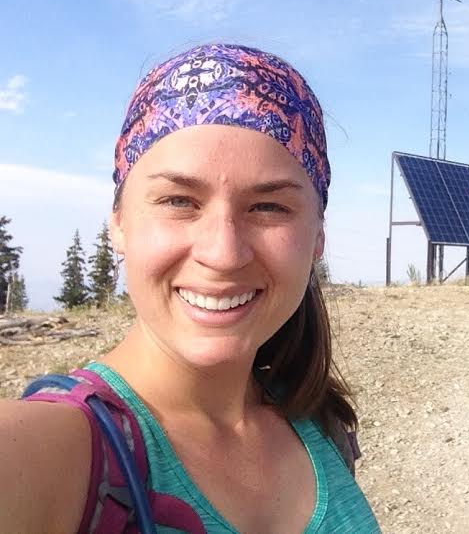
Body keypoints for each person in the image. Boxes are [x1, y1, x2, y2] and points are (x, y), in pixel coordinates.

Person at [0, 43, 380, 533]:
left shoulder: (320, 426)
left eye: (268, 207)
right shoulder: (50, 451)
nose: (223, 253)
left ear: (317, 238)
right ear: (117, 223)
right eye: (179, 200)